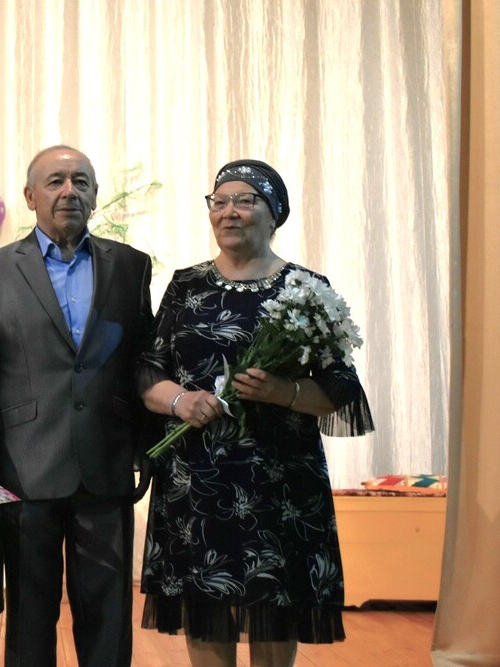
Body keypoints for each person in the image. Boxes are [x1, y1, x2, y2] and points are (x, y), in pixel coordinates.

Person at [136, 159, 375, 667]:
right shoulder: (185, 286)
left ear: (274, 215)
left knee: (275, 604)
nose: (229, 211)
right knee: (204, 604)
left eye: (245, 201)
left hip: (278, 481)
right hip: (196, 480)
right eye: (219, 201)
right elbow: (147, 372)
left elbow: (341, 389)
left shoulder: (306, 290)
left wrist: (285, 392)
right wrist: (181, 400)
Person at [0, 145, 155, 667]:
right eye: (56, 181)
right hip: (23, 467)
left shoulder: (130, 266)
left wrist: (146, 447)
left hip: (106, 464)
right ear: (29, 196)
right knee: (30, 613)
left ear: (95, 195)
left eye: (81, 182)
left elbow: (142, 362)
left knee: (108, 612)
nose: (69, 192)